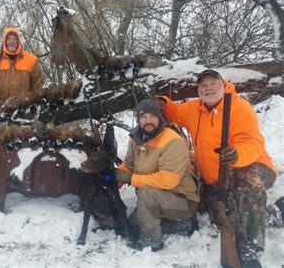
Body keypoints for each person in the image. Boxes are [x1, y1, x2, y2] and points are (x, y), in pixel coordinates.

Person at [157, 69, 276, 267]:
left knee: (247, 190)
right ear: (198, 90)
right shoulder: (194, 109)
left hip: (251, 164)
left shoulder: (239, 107)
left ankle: (249, 254)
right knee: (222, 217)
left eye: (213, 84)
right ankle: (274, 214)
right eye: (203, 85)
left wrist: (237, 155)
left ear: (223, 85)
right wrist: (162, 102)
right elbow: (175, 111)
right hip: (216, 178)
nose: (208, 88)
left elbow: (253, 143)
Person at [114, 99, 199, 251]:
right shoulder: (136, 139)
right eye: (143, 117)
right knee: (129, 227)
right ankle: (173, 223)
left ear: (160, 118)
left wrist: (130, 179)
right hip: (157, 198)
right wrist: (116, 181)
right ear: (138, 119)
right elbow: (128, 165)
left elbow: (168, 181)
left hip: (183, 201)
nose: (148, 121)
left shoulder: (173, 142)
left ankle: (152, 244)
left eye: (152, 116)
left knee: (146, 194)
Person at [0, 26, 43, 103]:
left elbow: (37, 83)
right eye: (9, 39)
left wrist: (35, 100)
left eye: (14, 39)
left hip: (23, 106)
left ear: (18, 41)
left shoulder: (31, 59)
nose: (12, 41)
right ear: (5, 41)